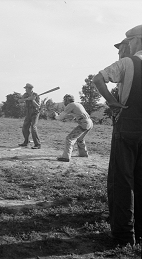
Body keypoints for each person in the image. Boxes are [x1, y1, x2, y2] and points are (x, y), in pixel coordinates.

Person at [92, 24, 142, 246]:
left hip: (129, 126)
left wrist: (112, 101)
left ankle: (123, 236)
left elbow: (98, 78)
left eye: (128, 42)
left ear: (136, 41)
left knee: (122, 181)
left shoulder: (129, 63)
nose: (127, 46)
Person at [53, 94, 93, 162]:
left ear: (67, 100)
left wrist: (56, 116)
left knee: (69, 138)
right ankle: (83, 154)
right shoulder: (77, 104)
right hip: (89, 123)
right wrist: (62, 115)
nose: (64, 102)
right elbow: (72, 116)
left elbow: (60, 117)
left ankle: (66, 157)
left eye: (64, 100)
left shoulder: (70, 105)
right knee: (80, 139)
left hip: (84, 123)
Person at [18, 83, 41, 149]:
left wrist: (33, 100)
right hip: (28, 113)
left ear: (30, 88)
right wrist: (27, 99)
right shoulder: (25, 95)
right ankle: (26, 142)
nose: (25, 90)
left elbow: (38, 106)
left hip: (35, 113)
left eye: (26, 88)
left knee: (33, 128)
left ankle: (37, 144)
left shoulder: (36, 95)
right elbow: (19, 101)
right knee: (24, 127)